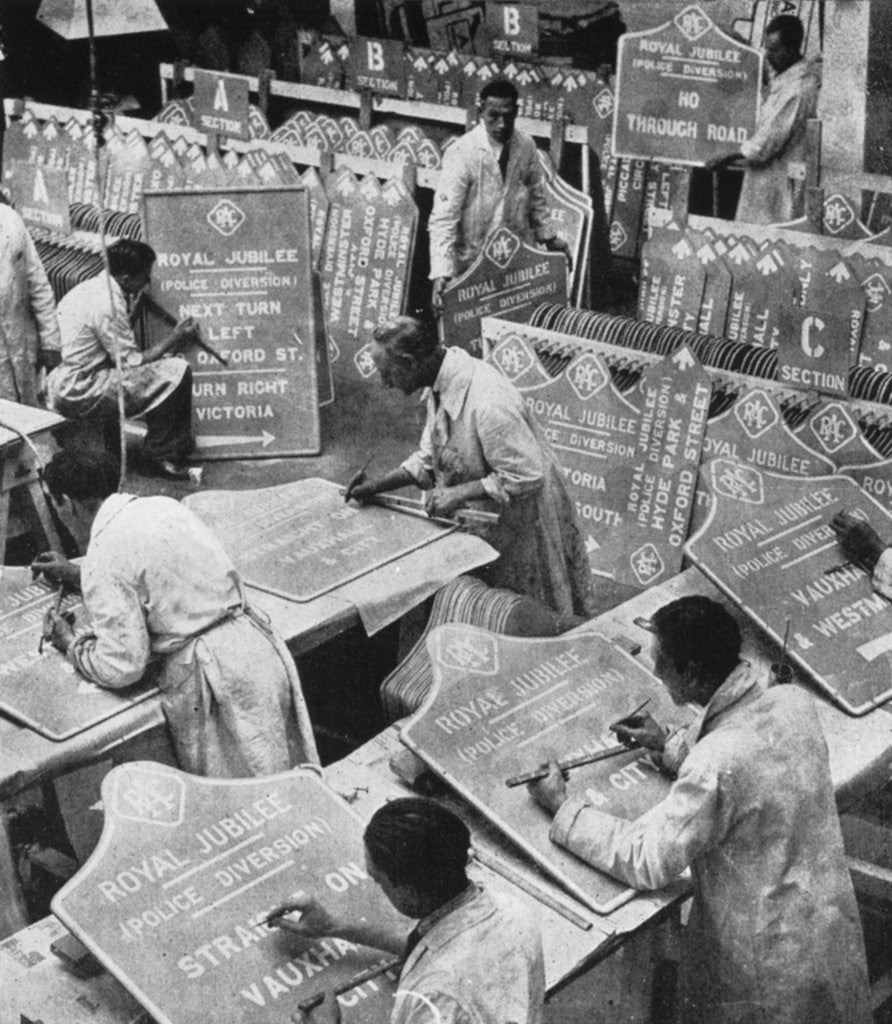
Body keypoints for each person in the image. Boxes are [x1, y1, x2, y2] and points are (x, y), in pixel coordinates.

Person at [529, 595, 871, 1024]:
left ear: (691, 672)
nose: (655, 671)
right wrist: (668, 744)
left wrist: (563, 807)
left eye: (661, 661)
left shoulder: (713, 764)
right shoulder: (792, 702)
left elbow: (646, 859)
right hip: (824, 929)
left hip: (764, 967)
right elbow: (748, 758)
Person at [33, 446, 318, 778]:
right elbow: (156, 576)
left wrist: (71, 644)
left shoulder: (103, 554)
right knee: (288, 776)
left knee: (241, 793)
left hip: (215, 678)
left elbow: (122, 665)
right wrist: (75, 574)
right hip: (256, 649)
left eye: (55, 504)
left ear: (67, 503)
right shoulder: (163, 506)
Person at [345, 316, 597, 625]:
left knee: (530, 620)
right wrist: (374, 487)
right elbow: (430, 457)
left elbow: (527, 477)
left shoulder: (488, 402)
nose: (384, 383)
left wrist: (458, 493)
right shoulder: (440, 382)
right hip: (494, 515)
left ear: (410, 363)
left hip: (526, 518)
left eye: (387, 373)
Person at [268, 797, 545, 1024]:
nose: (378, 887)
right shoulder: (509, 908)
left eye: (378, 880)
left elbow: (441, 964)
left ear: (407, 889)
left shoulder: (436, 997)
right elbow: (430, 945)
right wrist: (333, 927)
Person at [46, 238, 199, 479]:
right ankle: (162, 455)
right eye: (145, 277)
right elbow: (132, 362)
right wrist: (175, 337)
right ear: (127, 278)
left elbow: (107, 342)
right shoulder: (109, 303)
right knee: (176, 370)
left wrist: (132, 314)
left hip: (63, 383)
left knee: (149, 372)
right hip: (83, 388)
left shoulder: (90, 289)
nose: (147, 283)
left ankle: (125, 450)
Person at [428, 78, 570, 311]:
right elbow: (444, 218)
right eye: (493, 116)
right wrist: (442, 272)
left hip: (514, 257)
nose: (501, 124)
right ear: (481, 111)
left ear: (517, 112)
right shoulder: (462, 153)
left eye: (508, 116)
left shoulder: (526, 145)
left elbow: (537, 197)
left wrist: (549, 237)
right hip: (472, 260)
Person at [706, 14, 820, 226]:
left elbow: (766, 142)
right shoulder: (785, 75)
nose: (768, 55)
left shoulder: (799, 88)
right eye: (767, 49)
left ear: (791, 50)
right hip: (765, 177)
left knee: (770, 233)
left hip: (779, 179)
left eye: (774, 50)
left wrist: (728, 156)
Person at [0, 198, 61, 406]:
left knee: (30, 412)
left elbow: (37, 282)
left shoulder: (9, 220)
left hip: (21, 346)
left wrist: (51, 342)